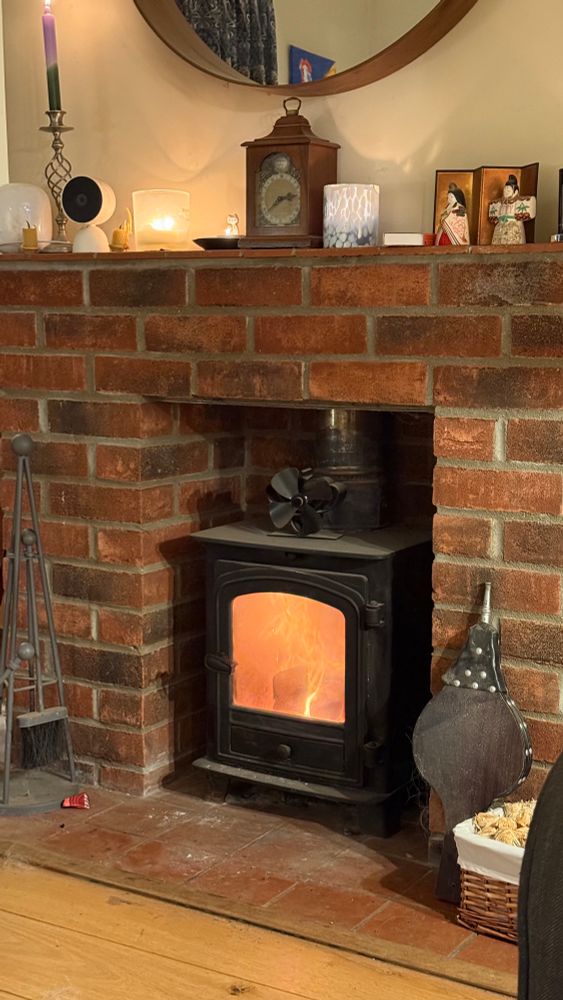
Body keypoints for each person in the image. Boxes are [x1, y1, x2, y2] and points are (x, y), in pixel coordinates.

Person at [489, 174, 536, 245]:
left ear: (516, 192)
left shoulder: (519, 202)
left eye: (508, 189)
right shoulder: (500, 203)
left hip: (513, 227)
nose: (506, 191)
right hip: (501, 227)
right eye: (505, 189)